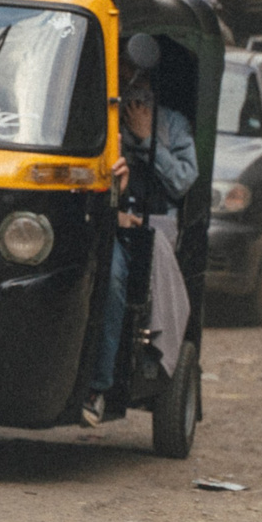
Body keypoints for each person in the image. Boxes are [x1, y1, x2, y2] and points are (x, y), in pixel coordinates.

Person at [82, 68, 196, 426]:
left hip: (148, 227)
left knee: (115, 276)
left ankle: (99, 387)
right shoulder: (97, 118)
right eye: (129, 84)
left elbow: (181, 180)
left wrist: (147, 140)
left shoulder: (171, 124)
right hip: (98, 222)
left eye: (143, 86)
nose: (136, 96)